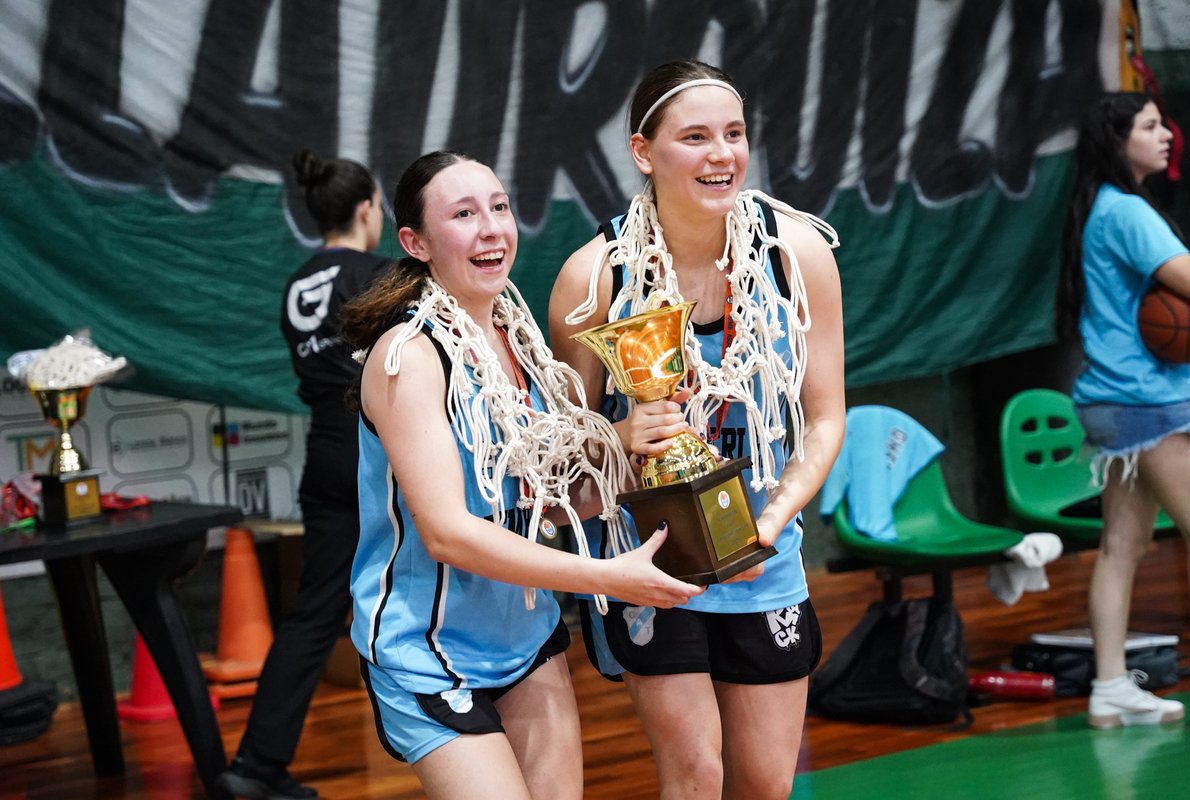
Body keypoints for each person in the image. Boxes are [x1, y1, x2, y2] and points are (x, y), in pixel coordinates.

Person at [339, 150, 703, 800]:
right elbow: (449, 534)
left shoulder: (517, 339)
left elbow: (543, 505)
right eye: (463, 213)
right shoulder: (408, 355)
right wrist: (608, 577)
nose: (490, 227)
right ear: (415, 242)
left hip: (523, 635)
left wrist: (635, 460)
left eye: (499, 207)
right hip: (428, 652)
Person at [549, 60, 845, 800]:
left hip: (765, 558)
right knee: (694, 777)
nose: (722, 154)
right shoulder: (595, 278)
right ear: (644, 152)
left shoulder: (797, 254)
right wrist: (618, 435)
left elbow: (827, 414)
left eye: (735, 134)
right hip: (650, 566)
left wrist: (772, 522)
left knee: (764, 785)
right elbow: (561, 457)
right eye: (696, 137)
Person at [218, 149, 389, 800]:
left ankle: (255, 765)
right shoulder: (380, 274)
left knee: (314, 613)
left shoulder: (297, 284)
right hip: (379, 448)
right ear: (368, 207)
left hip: (324, 449)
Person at [1055, 91, 1190, 729]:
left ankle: (1110, 686)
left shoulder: (1100, 207)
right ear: (1119, 141)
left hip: (1109, 401)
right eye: (1149, 126)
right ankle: (1111, 686)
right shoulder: (1131, 213)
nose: (1166, 134)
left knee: (1122, 545)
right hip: (1148, 402)